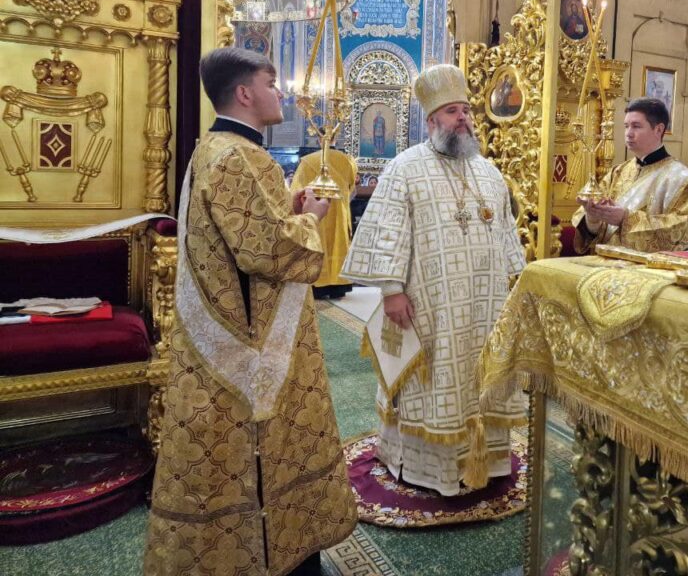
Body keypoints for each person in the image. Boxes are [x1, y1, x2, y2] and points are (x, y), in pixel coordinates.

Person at [145, 48, 356, 576]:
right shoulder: (242, 156)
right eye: (271, 82)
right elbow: (268, 252)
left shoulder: (213, 148)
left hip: (229, 328)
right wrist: (311, 218)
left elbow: (242, 231)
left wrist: (287, 207)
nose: (280, 92)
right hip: (248, 342)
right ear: (244, 93)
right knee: (257, 447)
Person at [341, 64, 526, 496]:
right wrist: (391, 291)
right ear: (431, 121)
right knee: (430, 381)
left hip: (485, 305)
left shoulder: (488, 172)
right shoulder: (405, 168)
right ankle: (427, 469)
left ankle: (486, 460)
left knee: (482, 377)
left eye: (466, 110)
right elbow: (388, 231)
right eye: (451, 111)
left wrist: (515, 281)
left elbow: (506, 232)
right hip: (428, 303)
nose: (463, 118)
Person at [572, 97, 688, 253]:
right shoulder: (617, 172)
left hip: (648, 266)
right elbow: (593, 228)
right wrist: (592, 220)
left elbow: (682, 229)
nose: (628, 133)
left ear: (658, 130)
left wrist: (625, 219)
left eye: (636, 126)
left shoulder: (681, 179)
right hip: (605, 261)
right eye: (626, 126)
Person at [290, 148, 359, 299]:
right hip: (339, 211)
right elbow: (351, 186)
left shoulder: (308, 161)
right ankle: (338, 286)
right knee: (338, 242)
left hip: (315, 207)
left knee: (318, 241)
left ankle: (319, 285)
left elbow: (296, 189)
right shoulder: (347, 161)